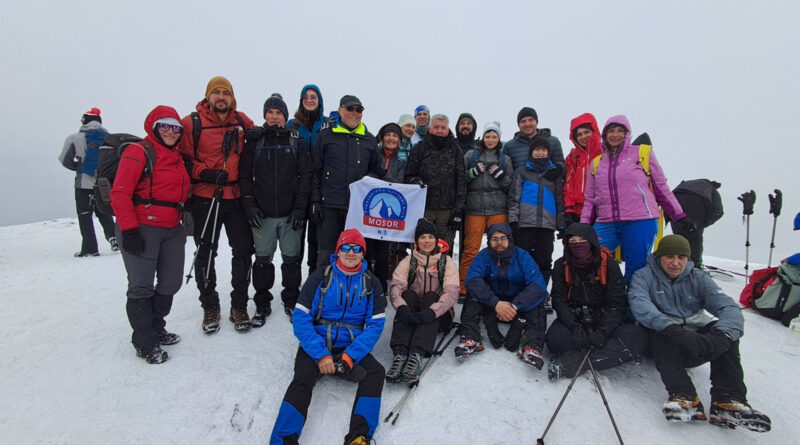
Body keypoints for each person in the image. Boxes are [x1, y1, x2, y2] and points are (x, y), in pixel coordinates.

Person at [628, 235, 771, 432]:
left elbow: (728, 307)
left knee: (726, 335)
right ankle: (684, 396)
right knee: (660, 334)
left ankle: (728, 400)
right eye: (669, 256)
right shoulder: (644, 276)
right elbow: (640, 305)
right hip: (664, 341)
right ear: (659, 257)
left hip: (695, 341)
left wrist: (722, 336)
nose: (675, 263)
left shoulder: (698, 277)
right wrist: (673, 329)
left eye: (681, 257)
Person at [270, 229, 386, 445]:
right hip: (318, 343)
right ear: (338, 251)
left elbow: (375, 325)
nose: (351, 253)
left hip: (349, 348)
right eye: (346, 247)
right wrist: (321, 354)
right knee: (302, 379)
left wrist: (351, 356)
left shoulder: (372, 282)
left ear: (363, 253)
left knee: (376, 373)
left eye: (357, 249)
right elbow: (301, 318)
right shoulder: (320, 277)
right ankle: (283, 440)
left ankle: (359, 436)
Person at [111, 105, 190, 364]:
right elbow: (120, 192)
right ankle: (145, 341)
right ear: (154, 127)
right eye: (164, 126)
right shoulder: (138, 151)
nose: (170, 131)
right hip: (142, 226)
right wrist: (129, 229)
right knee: (141, 285)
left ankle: (157, 326)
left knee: (171, 282)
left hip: (172, 228)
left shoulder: (177, 157)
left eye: (175, 127)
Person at [178, 76, 256, 333]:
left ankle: (239, 305)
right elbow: (182, 159)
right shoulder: (192, 123)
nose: (221, 97)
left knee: (243, 251)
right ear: (208, 96)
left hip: (235, 196)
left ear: (232, 98)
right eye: (216, 93)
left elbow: (259, 136)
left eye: (226, 93)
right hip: (206, 196)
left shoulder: (241, 120)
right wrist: (205, 173)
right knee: (206, 252)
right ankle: (210, 306)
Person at [581, 115, 693, 283]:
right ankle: (602, 295)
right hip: (606, 222)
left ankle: (633, 299)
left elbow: (661, 188)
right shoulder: (597, 163)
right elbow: (590, 199)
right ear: (604, 135)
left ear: (627, 134)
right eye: (611, 131)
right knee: (589, 257)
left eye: (620, 131)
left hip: (640, 220)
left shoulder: (642, 153)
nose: (615, 135)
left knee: (635, 268)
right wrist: (583, 226)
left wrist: (679, 215)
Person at [239, 94, 312, 322]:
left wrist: (300, 209)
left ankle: (291, 300)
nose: (274, 117)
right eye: (270, 112)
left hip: (291, 215)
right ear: (264, 115)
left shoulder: (296, 141)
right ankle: (262, 303)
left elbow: (306, 176)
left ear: (285, 116)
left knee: (291, 260)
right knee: (262, 261)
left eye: (278, 113)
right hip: (263, 215)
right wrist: (250, 207)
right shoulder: (255, 141)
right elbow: (244, 176)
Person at [545, 223, 648, 380]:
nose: (578, 245)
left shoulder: (609, 265)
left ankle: (578, 361)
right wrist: (574, 327)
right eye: (573, 242)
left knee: (637, 337)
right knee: (555, 339)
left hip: (604, 317)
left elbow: (617, 304)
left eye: (582, 241)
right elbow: (559, 300)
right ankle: (603, 356)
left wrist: (603, 332)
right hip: (575, 318)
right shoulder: (561, 265)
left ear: (592, 242)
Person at [456, 223, 549, 369]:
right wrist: (496, 303)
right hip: (492, 301)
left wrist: (514, 305)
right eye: (494, 239)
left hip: (518, 303)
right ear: (489, 241)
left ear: (510, 239)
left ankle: (532, 345)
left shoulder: (522, 256)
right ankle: (469, 337)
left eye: (503, 238)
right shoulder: (483, 256)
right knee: (472, 296)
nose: (499, 242)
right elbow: (472, 280)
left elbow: (538, 285)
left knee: (538, 303)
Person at [309, 95, 383, 270]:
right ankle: (325, 285)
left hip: (358, 209)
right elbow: (315, 171)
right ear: (340, 110)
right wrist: (315, 200)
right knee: (327, 253)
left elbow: (377, 171)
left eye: (359, 110)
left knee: (356, 252)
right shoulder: (326, 136)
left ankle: (356, 286)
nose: (355, 113)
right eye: (350, 109)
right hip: (330, 206)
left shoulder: (369, 139)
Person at [386, 218, 458, 383]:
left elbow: (452, 293)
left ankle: (416, 355)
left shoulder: (446, 262)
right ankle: (400, 354)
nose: (427, 241)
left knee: (432, 295)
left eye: (431, 237)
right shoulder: (409, 261)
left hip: (438, 315)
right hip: (412, 312)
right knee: (408, 295)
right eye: (422, 237)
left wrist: (433, 311)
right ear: (417, 241)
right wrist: (401, 307)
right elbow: (396, 286)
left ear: (437, 240)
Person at [461, 122, 513, 298]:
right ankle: (464, 287)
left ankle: (499, 286)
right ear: (482, 138)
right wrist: (472, 173)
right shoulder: (471, 155)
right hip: (474, 208)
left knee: (500, 248)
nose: (490, 140)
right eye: (487, 136)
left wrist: (501, 176)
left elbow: (511, 185)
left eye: (494, 136)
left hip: (498, 208)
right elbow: (460, 179)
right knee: (470, 249)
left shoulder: (505, 159)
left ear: (499, 139)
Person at [59, 107, 118, 256]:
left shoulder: (75, 138)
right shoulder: (110, 139)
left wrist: (78, 167)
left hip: (83, 183)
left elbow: (64, 159)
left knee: (85, 214)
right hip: (104, 183)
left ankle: (90, 249)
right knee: (104, 211)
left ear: (84, 121)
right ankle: (114, 239)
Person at [404, 114, 467, 253]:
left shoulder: (455, 150)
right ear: (429, 128)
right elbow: (409, 175)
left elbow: (461, 181)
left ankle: (444, 269)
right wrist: (414, 180)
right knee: (422, 249)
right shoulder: (419, 149)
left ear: (448, 129)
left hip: (447, 210)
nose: (439, 130)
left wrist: (458, 210)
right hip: (423, 209)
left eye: (443, 128)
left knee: (444, 250)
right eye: (436, 127)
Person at [508, 136, 564, 286]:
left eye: (543, 150)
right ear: (531, 152)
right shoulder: (522, 172)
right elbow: (514, 197)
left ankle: (540, 290)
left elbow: (559, 199)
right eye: (537, 150)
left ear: (548, 152)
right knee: (523, 258)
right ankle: (523, 289)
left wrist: (560, 223)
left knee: (544, 260)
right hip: (525, 223)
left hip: (547, 224)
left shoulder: (554, 173)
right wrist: (513, 220)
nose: (540, 153)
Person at [287, 84, 328, 274]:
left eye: (313, 97)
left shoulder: (328, 124)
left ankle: (314, 277)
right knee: (295, 237)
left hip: (320, 188)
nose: (310, 100)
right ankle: (293, 281)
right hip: (296, 188)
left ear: (319, 100)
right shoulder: (292, 125)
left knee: (316, 238)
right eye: (306, 97)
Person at [364, 122, 408, 287]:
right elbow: (366, 176)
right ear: (382, 138)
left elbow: (399, 183)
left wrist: (382, 175)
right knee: (367, 250)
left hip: (387, 214)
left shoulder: (401, 163)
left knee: (383, 253)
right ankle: (365, 283)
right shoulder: (372, 155)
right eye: (388, 135)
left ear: (399, 141)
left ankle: (381, 287)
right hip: (369, 210)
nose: (391, 138)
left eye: (395, 136)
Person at [669, 179, 724, 268]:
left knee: (679, 238)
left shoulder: (685, 184)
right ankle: (695, 267)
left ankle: (676, 264)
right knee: (695, 238)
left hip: (675, 199)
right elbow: (718, 211)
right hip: (697, 203)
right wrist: (704, 223)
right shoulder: (711, 188)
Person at [563, 113, 602, 226]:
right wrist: (569, 207)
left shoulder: (604, 152)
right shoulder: (573, 156)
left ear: (594, 131)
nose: (583, 136)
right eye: (579, 134)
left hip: (601, 207)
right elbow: (568, 184)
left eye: (586, 132)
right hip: (579, 210)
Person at [502, 107, 564, 175]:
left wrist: (557, 170)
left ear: (536, 122)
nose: (527, 124)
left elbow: (562, 166)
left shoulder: (553, 141)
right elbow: (506, 172)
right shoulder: (509, 146)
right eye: (523, 121)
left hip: (548, 181)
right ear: (518, 125)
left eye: (531, 120)